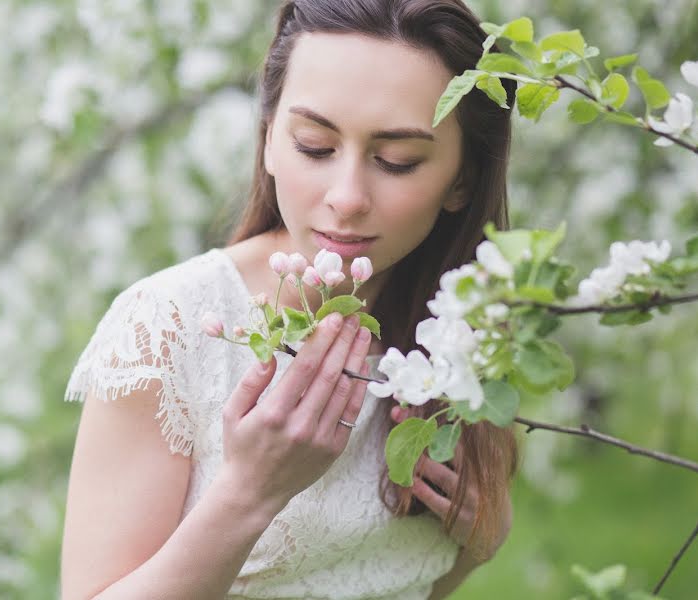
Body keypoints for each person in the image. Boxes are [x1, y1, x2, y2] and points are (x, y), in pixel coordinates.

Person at [60, 1, 519, 598]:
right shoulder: (170, 327)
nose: (347, 196)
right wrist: (250, 492)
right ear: (270, 140)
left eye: (396, 161)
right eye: (314, 146)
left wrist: (483, 539)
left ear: (462, 177)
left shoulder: (460, 328)